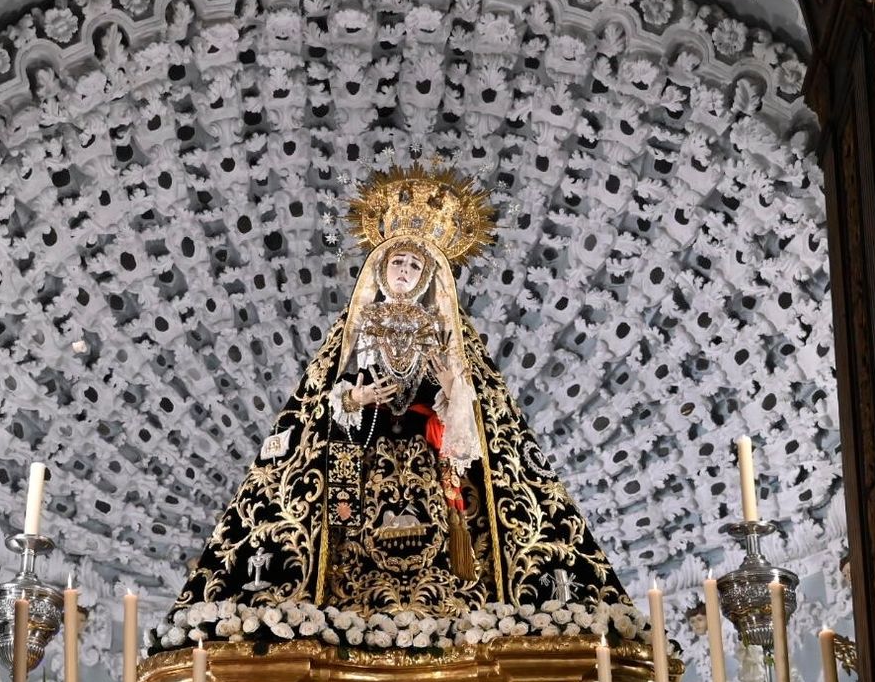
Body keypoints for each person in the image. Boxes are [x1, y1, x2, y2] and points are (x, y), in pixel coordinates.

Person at [170, 166, 630, 623]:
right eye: (398, 263)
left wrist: (452, 392)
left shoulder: (450, 335)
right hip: (365, 464)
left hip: (431, 464)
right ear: (381, 268)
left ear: (430, 276)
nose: (405, 271)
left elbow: (480, 430)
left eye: (415, 265)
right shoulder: (356, 328)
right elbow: (320, 406)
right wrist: (357, 399)